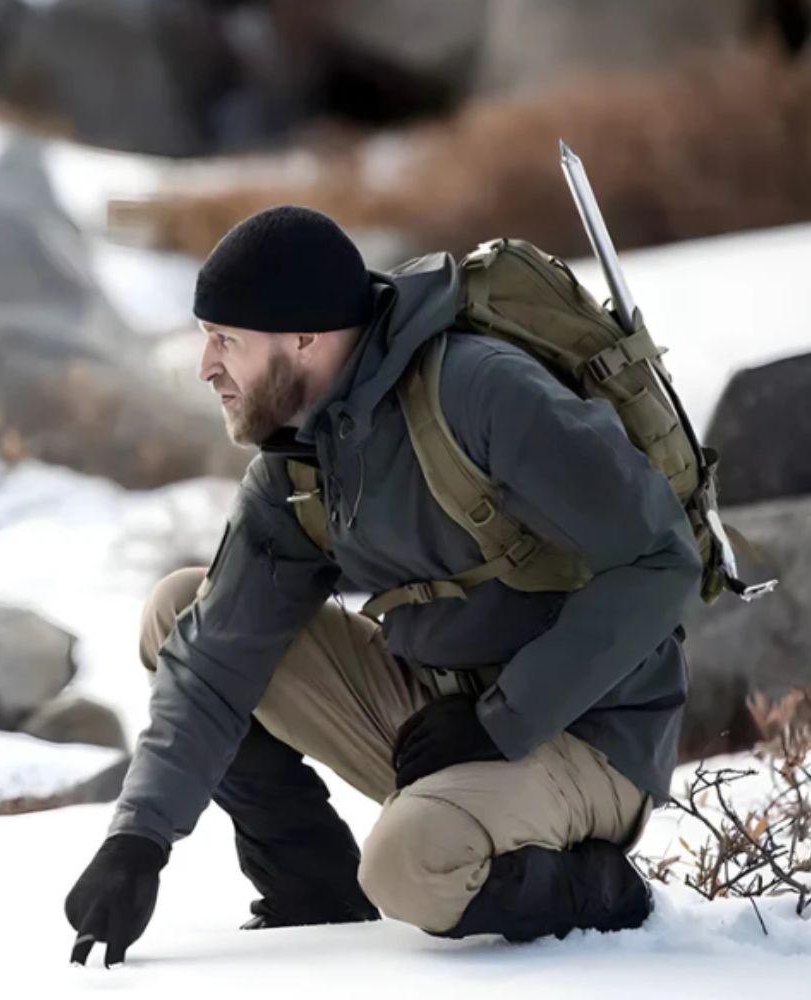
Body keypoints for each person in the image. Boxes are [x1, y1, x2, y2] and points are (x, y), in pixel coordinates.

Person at [65, 205, 702, 966]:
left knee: (412, 865)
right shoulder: (298, 460)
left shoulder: (483, 393)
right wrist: (140, 837)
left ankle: (604, 891)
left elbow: (660, 562)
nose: (206, 365)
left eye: (226, 340)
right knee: (180, 613)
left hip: (588, 736)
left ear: (304, 337)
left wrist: (505, 716)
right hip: (440, 724)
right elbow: (214, 659)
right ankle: (312, 895)